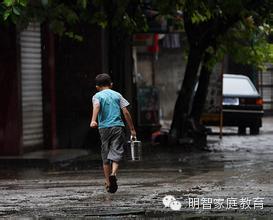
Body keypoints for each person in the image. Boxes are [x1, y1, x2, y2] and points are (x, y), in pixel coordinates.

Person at [90, 73, 136, 193]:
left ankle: (108, 181)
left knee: (105, 153)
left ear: (97, 86)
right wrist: (132, 129)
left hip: (104, 128)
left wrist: (93, 120)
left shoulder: (97, 96)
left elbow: (96, 106)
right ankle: (113, 173)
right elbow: (126, 112)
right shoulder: (117, 95)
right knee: (116, 150)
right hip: (117, 127)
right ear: (111, 85)